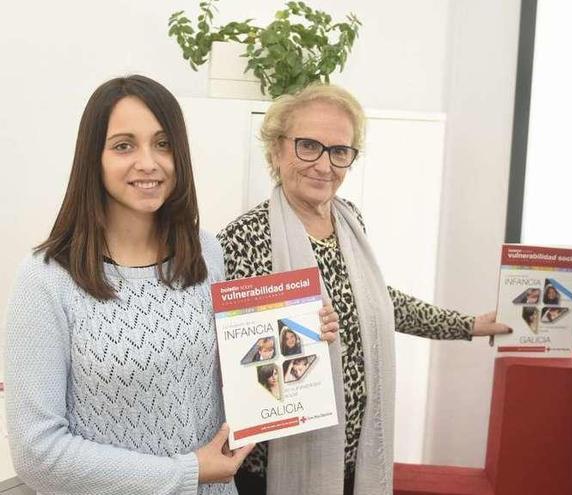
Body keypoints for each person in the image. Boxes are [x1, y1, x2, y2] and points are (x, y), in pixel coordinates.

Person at [217, 83, 511, 495]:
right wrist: (296, 335)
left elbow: (375, 301)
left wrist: (466, 325)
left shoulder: (349, 220)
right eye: (308, 146)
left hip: (354, 460)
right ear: (277, 150)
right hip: (278, 469)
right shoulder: (243, 237)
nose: (324, 165)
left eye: (339, 151)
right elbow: (227, 356)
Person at [3, 75, 256, 494]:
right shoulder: (46, 278)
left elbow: (223, 377)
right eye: (124, 145)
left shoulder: (205, 252)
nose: (148, 162)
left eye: (162, 143)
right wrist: (185, 472)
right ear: (93, 158)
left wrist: (295, 337)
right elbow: (37, 453)